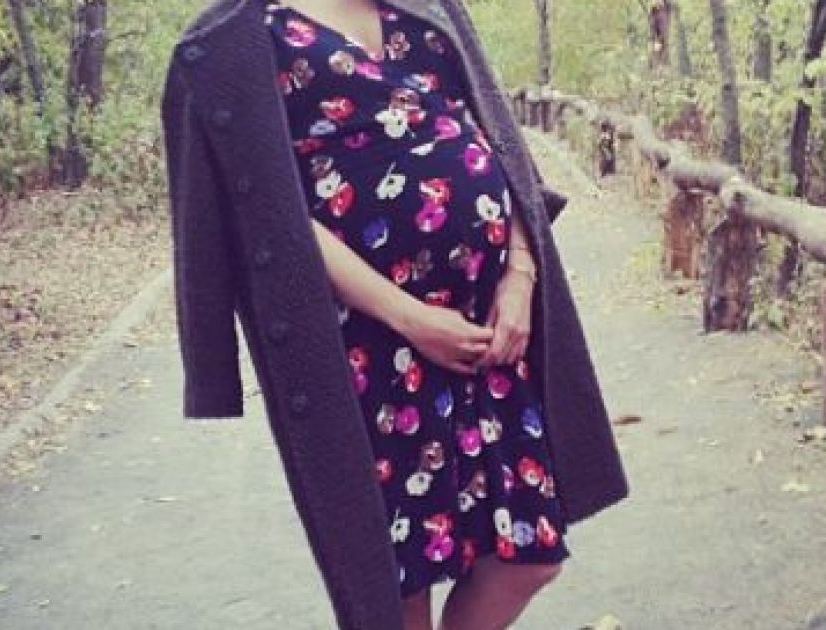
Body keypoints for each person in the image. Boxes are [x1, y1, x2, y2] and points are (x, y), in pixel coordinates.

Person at [161, 1, 629, 628]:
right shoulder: (247, 37)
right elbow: (271, 215)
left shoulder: (427, 8)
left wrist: (521, 274)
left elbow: (497, 140)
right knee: (400, 584)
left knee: (528, 556)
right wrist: (410, 318)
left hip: (488, 332)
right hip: (369, 351)